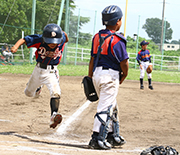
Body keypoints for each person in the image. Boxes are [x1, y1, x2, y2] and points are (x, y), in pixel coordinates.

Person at [11, 23, 69, 129]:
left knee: (56, 92)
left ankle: (54, 115)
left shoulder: (61, 38)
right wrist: (15, 46)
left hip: (51, 71)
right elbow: (24, 39)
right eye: (50, 42)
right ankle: (38, 87)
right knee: (28, 93)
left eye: (55, 42)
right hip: (38, 70)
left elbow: (65, 37)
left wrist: (64, 34)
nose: (52, 44)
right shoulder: (39, 39)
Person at [88, 5, 129, 150]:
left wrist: (90, 76)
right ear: (118, 21)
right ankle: (96, 138)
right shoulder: (118, 40)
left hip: (97, 74)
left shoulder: (97, 36)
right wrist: (124, 75)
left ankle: (112, 135)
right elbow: (124, 62)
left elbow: (92, 59)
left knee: (112, 105)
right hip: (110, 75)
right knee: (105, 107)